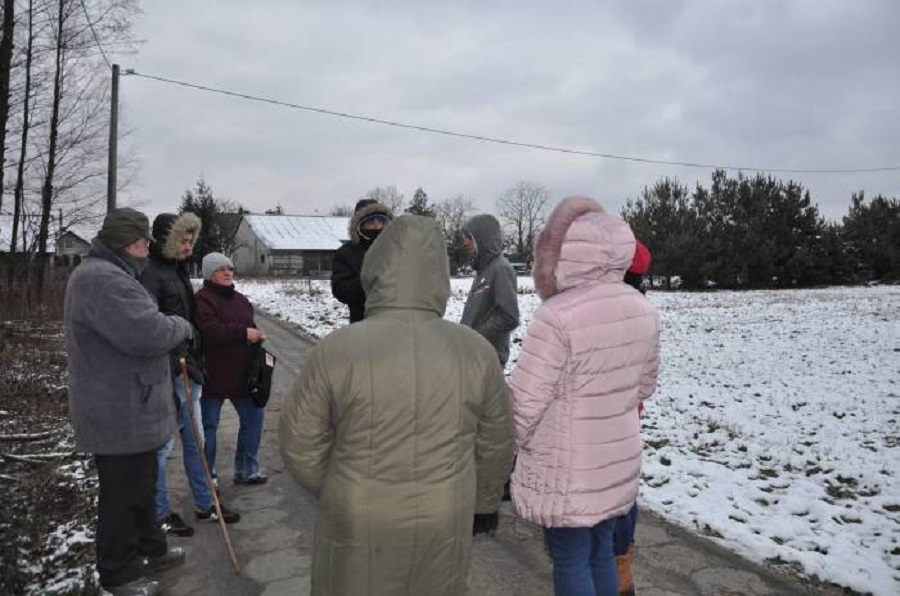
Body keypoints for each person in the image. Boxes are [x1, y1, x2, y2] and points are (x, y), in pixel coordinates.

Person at [279, 214, 515, 596]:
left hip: (359, 515)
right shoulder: (476, 352)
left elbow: (299, 441)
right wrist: (483, 502)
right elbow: (497, 441)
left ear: (377, 269)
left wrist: (339, 487)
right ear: (438, 273)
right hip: (444, 512)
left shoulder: (337, 349)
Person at [509, 197, 660, 596]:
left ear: (565, 253)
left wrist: (503, 446)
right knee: (599, 554)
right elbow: (644, 387)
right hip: (616, 461)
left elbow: (523, 404)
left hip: (567, 467)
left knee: (572, 558)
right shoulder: (642, 309)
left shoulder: (558, 315)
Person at [65, 207, 193, 596]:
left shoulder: (111, 273)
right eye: (141, 243)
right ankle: (118, 573)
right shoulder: (103, 280)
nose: (145, 250)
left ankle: (150, 549)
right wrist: (181, 325)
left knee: (141, 485)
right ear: (125, 242)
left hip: (130, 404)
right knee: (121, 496)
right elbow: (148, 332)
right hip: (116, 409)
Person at [140, 212, 239, 536]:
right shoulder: (150, 274)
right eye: (182, 240)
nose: (187, 246)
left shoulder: (177, 269)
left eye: (190, 241)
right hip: (167, 372)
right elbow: (150, 326)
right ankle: (158, 513)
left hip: (189, 371)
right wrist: (173, 358)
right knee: (163, 446)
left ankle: (204, 503)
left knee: (195, 441)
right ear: (166, 240)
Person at [194, 252, 268, 486]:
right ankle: (209, 477)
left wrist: (256, 336)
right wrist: (243, 333)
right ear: (208, 273)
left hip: (243, 375)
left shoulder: (241, 299)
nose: (227, 273)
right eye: (220, 269)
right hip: (211, 375)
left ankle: (246, 471)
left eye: (230, 269)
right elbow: (209, 331)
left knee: (254, 418)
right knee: (208, 428)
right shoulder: (202, 300)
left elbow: (250, 325)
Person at [614, 239, 652, 596]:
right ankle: (622, 564)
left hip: (604, 414)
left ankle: (613, 562)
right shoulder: (643, 308)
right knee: (625, 489)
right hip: (629, 414)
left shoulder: (613, 309)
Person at [459, 213, 520, 365]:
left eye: (469, 237)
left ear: (482, 238)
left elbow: (509, 316)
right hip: (474, 356)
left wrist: (476, 337)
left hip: (487, 358)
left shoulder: (501, 269)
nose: (465, 242)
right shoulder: (483, 270)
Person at [331, 198, 394, 322]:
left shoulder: (397, 248)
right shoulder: (346, 253)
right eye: (371, 222)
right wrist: (368, 280)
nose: (377, 226)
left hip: (398, 323)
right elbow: (340, 290)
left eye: (381, 221)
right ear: (359, 224)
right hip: (363, 322)